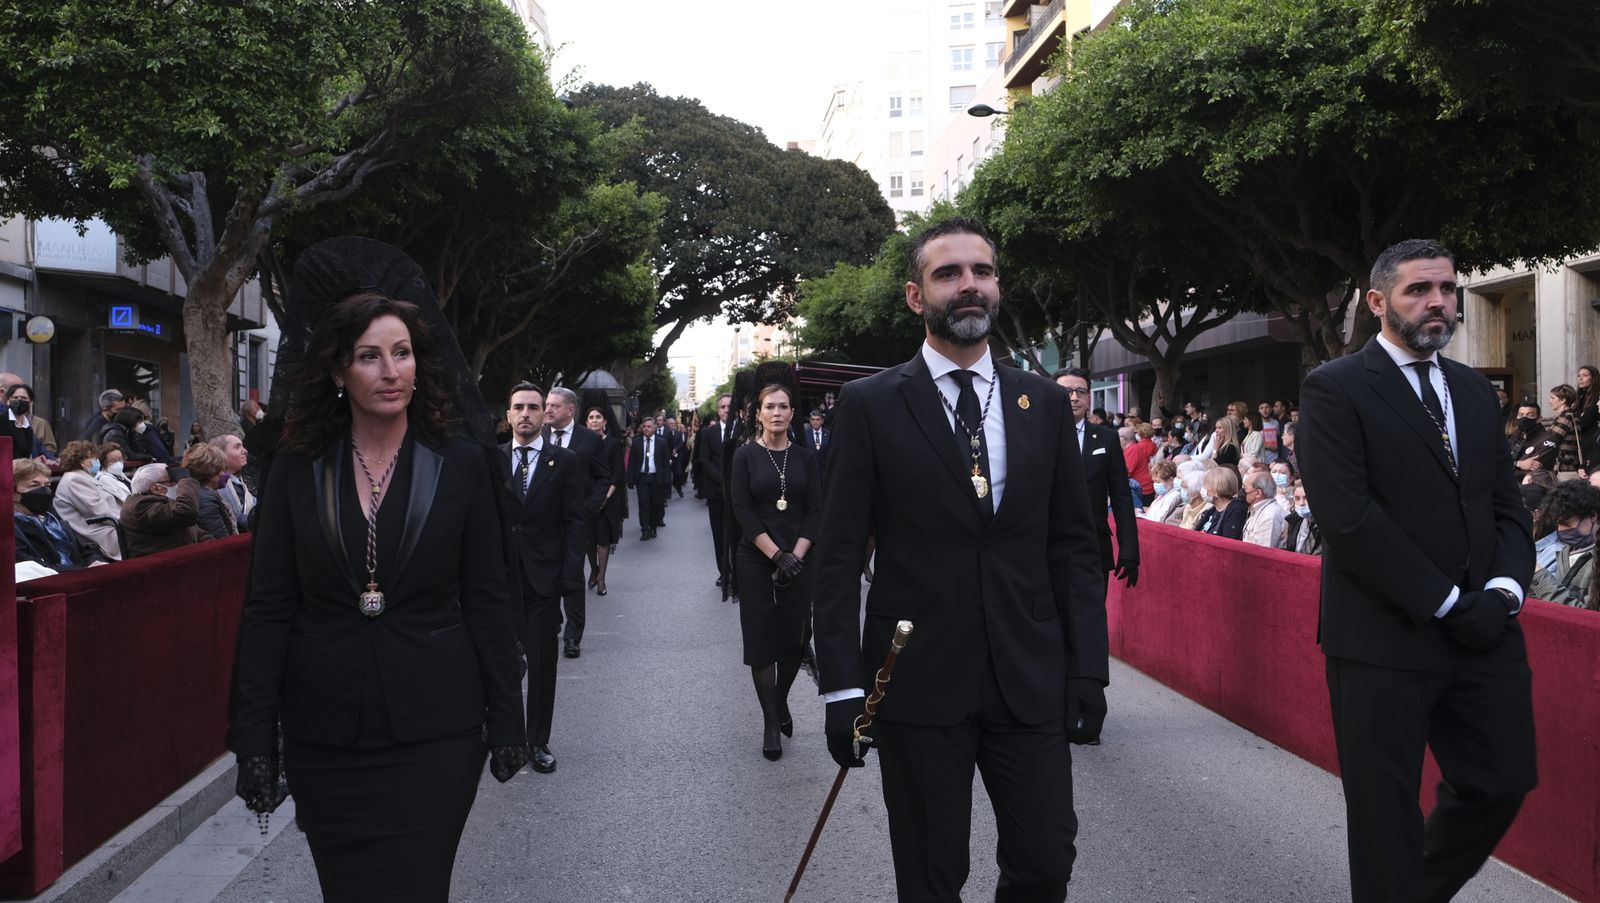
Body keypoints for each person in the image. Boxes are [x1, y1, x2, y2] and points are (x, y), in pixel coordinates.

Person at [813, 217, 1106, 900]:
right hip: (913, 679)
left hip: (1027, 676)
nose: (968, 285)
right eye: (948, 273)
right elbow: (836, 559)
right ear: (917, 296)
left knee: (1044, 864)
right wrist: (840, 689)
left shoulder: (1042, 404)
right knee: (930, 876)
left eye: (982, 271)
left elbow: (1074, 547)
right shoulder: (870, 405)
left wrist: (1089, 667)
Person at [229, 269, 527, 902]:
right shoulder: (296, 468)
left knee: (419, 889)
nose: (391, 370)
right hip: (323, 733)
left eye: (402, 353)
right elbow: (269, 605)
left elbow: (488, 597)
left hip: (437, 729)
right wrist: (254, 735)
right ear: (339, 372)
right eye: (369, 356)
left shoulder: (462, 463)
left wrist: (508, 716)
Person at [1298, 239, 1535, 903]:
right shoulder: (1334, 388)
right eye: (1418, 290)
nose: (1438, 302)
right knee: (1384, 816)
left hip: (1484, 633)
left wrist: (1504, 589)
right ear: (1377, 302)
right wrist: (1444, 601)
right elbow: (1347, 520)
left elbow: (1504, 503)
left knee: (1503, 779)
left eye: (1448, 288)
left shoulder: (1472, 388)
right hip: (1380, 638)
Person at [728, 383, 822, 760]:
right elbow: (742, 509)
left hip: (800, 553)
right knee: (762, 640)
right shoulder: (745, 456)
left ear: (792, 414)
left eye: (784, 406)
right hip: (756, 556)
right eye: (770, 407)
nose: (778, 412)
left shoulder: (806, 457)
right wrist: (775, 555)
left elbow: (816, 509)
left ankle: (780, 700)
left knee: (796, 639)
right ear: (759, 414)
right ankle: (771, 721)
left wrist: (795, 555)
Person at [502, 382, 587, 774]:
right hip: (499, 581)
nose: (526, 414)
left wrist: (570, 577)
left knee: (541, 663)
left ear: (544, 415)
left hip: (543, 580)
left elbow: (575, 522)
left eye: (533, 407)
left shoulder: (564, 461)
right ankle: (504, 738)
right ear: (508, 415)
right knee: (499, 663)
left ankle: (537, 741)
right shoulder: (492, 460)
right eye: (518, 407)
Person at [543, 386, 611, 659]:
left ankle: (573, 636)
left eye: (554, 406)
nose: (547, 410)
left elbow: (603, 477)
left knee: (572, 577)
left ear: (570, 409)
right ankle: (549, 624)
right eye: (546, 404)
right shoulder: (539, 434)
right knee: (543, 576)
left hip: (575, 522)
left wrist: (588, 509)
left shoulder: (589, 440)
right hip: (542, 521)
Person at [1057, 367, 1140, 589]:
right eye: (1066, 391)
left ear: (1088, 397)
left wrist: (1130, 549)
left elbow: (1122, 497)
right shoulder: (1035, 436)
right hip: (1047, 551)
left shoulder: (1107, 438)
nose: (1074, 397)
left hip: (1093, 550)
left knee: (1091, 621)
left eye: (1080, 392)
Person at [13, 458, 108, 574]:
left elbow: (85, 550)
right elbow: (34, 568)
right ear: (12, 493)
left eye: (47, 485)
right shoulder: (9, 529)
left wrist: (95, 561)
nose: (44, 491)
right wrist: (82, 571)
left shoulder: (52, 521)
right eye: (34, 486)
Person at [1527, 480, 1600, 610]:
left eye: (1567, 524)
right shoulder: (1567, 550)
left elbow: (1588, 619)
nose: (1561, 531)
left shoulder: (1594, 559)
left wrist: (1539, 575)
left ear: (1592, 516)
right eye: (1558, 524)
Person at [51, 439, 123, 560]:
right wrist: (130, 522)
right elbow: (99, 512)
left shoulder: (82, 477)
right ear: (80, 461)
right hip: (100, 533)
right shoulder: (75, 479)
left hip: (109, 526)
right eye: (92, 457)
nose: (96, 461)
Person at [119, 463, 205, 558]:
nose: (177, 485)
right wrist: (184, 480)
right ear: (156, 488)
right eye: (173, 480)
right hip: (162, 566)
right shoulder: (140, 508)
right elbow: (186, 513)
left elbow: (194, 531)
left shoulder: (160, 501)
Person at [696, 393, 737, 590]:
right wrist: (722, 480)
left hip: (739, 492)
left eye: (730, 406)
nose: (726, 410)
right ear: (718, 410)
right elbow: (704, 460)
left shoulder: (743, 431)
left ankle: (738, 572)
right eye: (723, 407)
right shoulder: (708, 434)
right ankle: (724, 573)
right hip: (716, 493)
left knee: (738, 535)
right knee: (719, 535)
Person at [584, 406, 626, 596]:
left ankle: (601, 579)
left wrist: (606, 497)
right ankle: (594, 568)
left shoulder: (614, 444)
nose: (594, 420)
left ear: (605, 421)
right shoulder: (581, 444)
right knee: (588, 540)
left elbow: (618, 473)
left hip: (608, 499)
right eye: (591, 417)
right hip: (585, 499)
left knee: (603, 540)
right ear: (586, 422)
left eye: (598, 417)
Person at [183, 443, 238, 540]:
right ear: (211, 473)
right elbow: (221, 539)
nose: (226, 474)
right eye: (223, 469)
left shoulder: (203, 493)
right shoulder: (205, 500)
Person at [627, 417, 670, 539]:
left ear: (654, 428)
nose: (646, 428)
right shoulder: (637, 442)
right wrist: (629, 478)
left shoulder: (661, 442)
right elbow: (632, 462)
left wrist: (667, 479)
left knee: (655, 504)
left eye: (649, 426)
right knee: (643, 503)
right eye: (644, 426)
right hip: (642, 478)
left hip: (656, 478)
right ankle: (645, 529)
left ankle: (653, 527)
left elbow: (665, 463)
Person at [210, 433, 256, 530]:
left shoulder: (245, 479)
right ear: (220, 454)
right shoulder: (218, 486)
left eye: (243, 446)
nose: (245, 451)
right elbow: (238, 518)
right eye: (237, 447)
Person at [1195, 466, 1247, 539]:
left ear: (1216, 491)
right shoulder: (1211, 510)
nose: (1202, 490)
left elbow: (1228, 541)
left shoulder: (1236, 510)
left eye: (1205, 486)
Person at [1241, 470, 1287, 549]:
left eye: (1244, 489)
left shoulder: (1270, 515)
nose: (1241, 492)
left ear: (1258, 493)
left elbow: (1263, 552)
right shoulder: (1256, 509)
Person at [1547, 384, 1585, 480]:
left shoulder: (1566, 417)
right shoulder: (1569, 416)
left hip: (1564, 470)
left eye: (1552, 398)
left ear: (1563, 400)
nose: (1549, 401)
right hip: (1568, 468)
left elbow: (1550, 440)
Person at [7, 384, 55, 459]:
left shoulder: (28, 427)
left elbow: (44, 449)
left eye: (23, 398)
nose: (19, 401)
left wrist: (52, 461)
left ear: (31, 403)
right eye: (15, 397)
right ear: (8, 401)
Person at [1282, 480, 1323, 556]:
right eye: (1297, 498)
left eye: (1306, 498)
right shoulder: (1292, 520)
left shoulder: (1325, 526)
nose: (1301, 503)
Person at [1119, 425, 1154, 503]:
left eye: (1118, 437)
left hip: (1143, 490)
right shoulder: (1131, 448)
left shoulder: (1132, 449)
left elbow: (1126, 472)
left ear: (1124, 439)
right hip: (1140, 488)